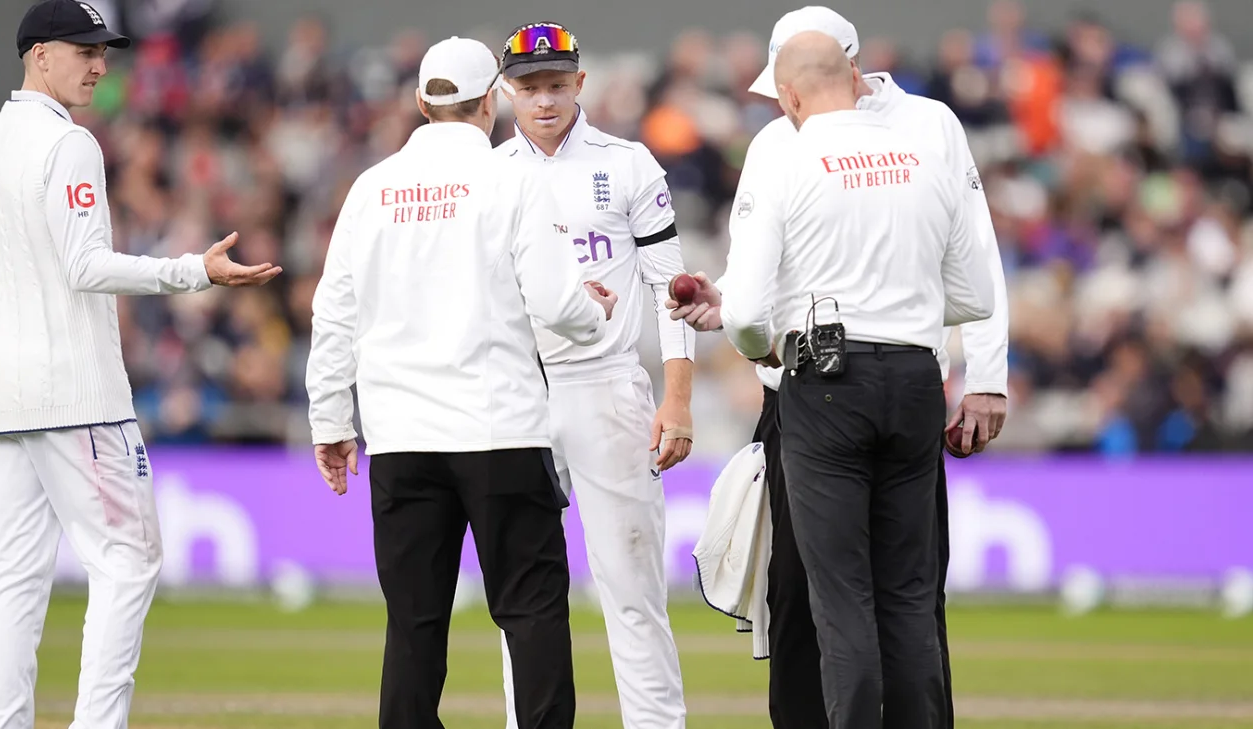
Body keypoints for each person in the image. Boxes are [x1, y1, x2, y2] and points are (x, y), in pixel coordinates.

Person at [668, 7, 1010, 728]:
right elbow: (978, 284)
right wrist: (908, 313)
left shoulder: (811, 145)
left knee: (834, 595)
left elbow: (757, 309)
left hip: (818, 384)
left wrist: (987, 376)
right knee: (902, 593)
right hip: (911, 376)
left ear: (797, 88)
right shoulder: (917, 146)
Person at [0, 2, 282, 727]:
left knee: (13, 574)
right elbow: (85, 265)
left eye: (103, 51)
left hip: (0, 397)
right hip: (75, 394)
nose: (100, 66)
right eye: (83, 51)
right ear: (39, 54)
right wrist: (195, 270)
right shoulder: (68, 144)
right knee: (128, 561)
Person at [304, 35, 617, 729]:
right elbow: (559, 304)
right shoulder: (512, 180)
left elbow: (333, 315)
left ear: (421, 102)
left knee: (413, 624)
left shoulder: (372, 189)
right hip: (499, 429)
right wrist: (594, 313)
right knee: (531, 610)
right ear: (491, 104)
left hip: (403, 438)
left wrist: (330, 421)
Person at [492, 21, 695, 729]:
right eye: (527, 86)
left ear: (580, 82)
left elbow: (675, 291)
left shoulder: (630, 162)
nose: (543, 100)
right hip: (516, 390)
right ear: (503, 91)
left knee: (632, 583)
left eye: (555, 84)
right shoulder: (491, 174)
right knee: (523, 594)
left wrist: (676, 396)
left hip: (606, 382)